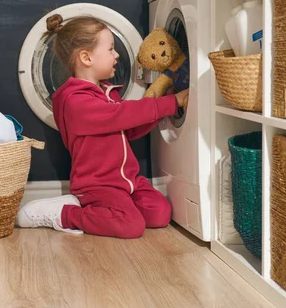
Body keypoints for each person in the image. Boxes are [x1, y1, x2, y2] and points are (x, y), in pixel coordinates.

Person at [16, 14, 189, 238]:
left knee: (159, 214)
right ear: (86, 58)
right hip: (98, 186)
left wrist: (164, 102)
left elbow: (130, 128)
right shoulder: (75, 102)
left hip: (128, 181)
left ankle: (110, 210)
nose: (117, 55)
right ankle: (65, 213)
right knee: (130, 226)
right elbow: (121, 115)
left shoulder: (105, 92)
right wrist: (170, 102)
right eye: (110, 49)